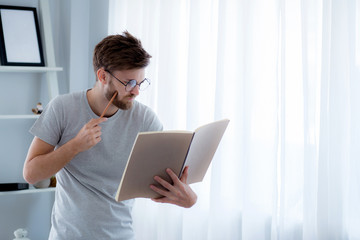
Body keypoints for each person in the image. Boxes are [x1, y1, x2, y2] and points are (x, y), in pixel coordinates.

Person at [23, 31, 197, 239]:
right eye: (129, 83)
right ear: (102, 76)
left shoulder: (145, 120)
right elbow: (31, 174)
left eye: (141, 83)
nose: (136, 92)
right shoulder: (62, 108)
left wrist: (189, 198)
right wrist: (75, 145)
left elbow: (161, 181)